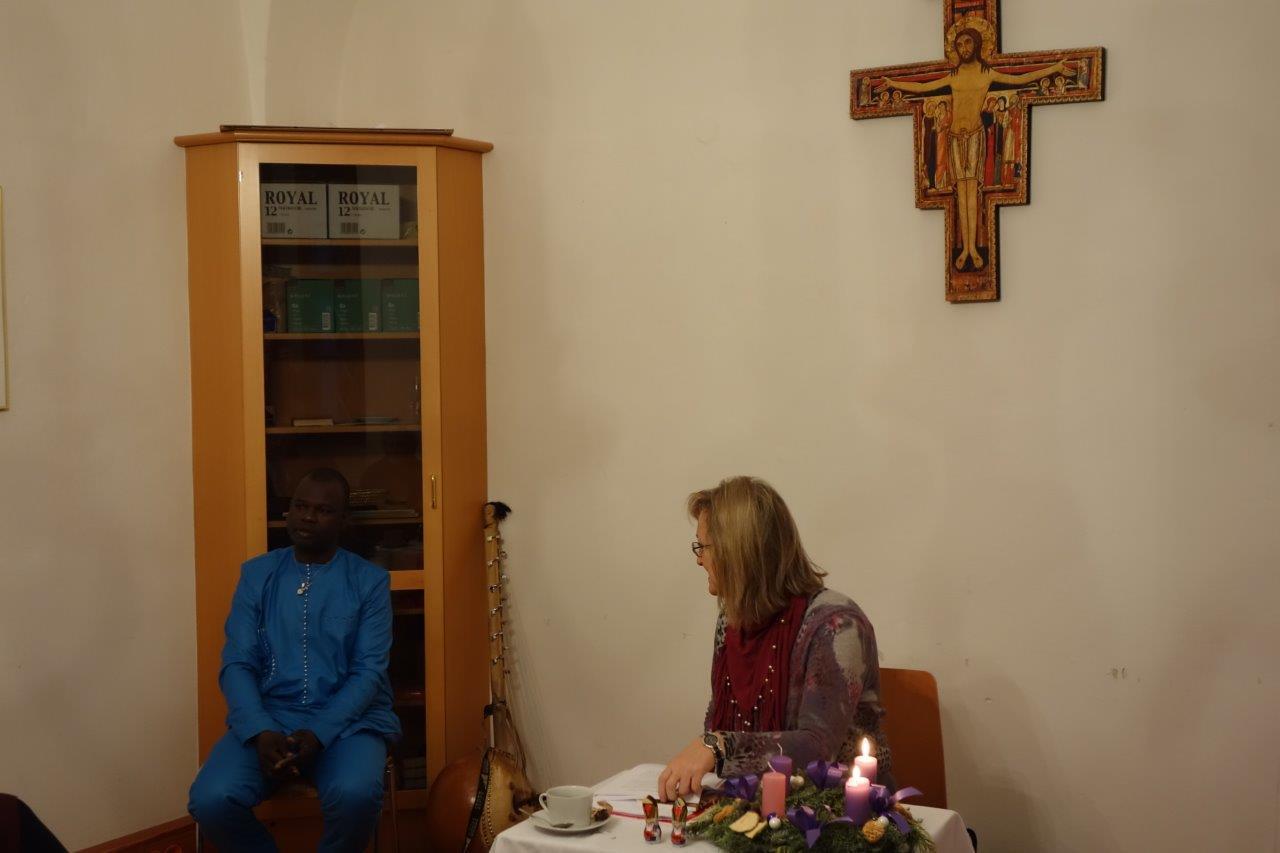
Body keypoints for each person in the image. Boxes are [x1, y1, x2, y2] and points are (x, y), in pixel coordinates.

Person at [188, 468, 401, 853]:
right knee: (211, 799)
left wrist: (319, 731)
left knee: (355, 795)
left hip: (350, 723)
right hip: (270, 718)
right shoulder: (257, 575)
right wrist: (259, 729)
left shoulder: (369, 581)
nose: (308, 517)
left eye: (323, 510)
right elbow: (237, 662)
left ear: (343, 520)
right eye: (300, 506)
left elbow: (368, 672)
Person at [658, 477, 891, 801]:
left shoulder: (836, 625)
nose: (699, 559)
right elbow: (717, 720)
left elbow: (818, 747)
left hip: (836, 811)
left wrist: (721, 746)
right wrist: (714, 746)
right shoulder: (732, 620)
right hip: (753, 803)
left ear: (738, 552)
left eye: (704, 547)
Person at [877, 26, 1072, 271]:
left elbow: (1021, 78)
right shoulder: (953, 76)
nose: (964, 48)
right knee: (961, 192)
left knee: (973, 192)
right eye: (959, 45)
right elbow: (923, 87)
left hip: (975, 136)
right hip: (954, 138)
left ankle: (972, 248)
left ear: (978, 44)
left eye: (968, 43)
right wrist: (893, 83)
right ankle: (966, 248)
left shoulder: (987, 74)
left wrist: (1054, 68)